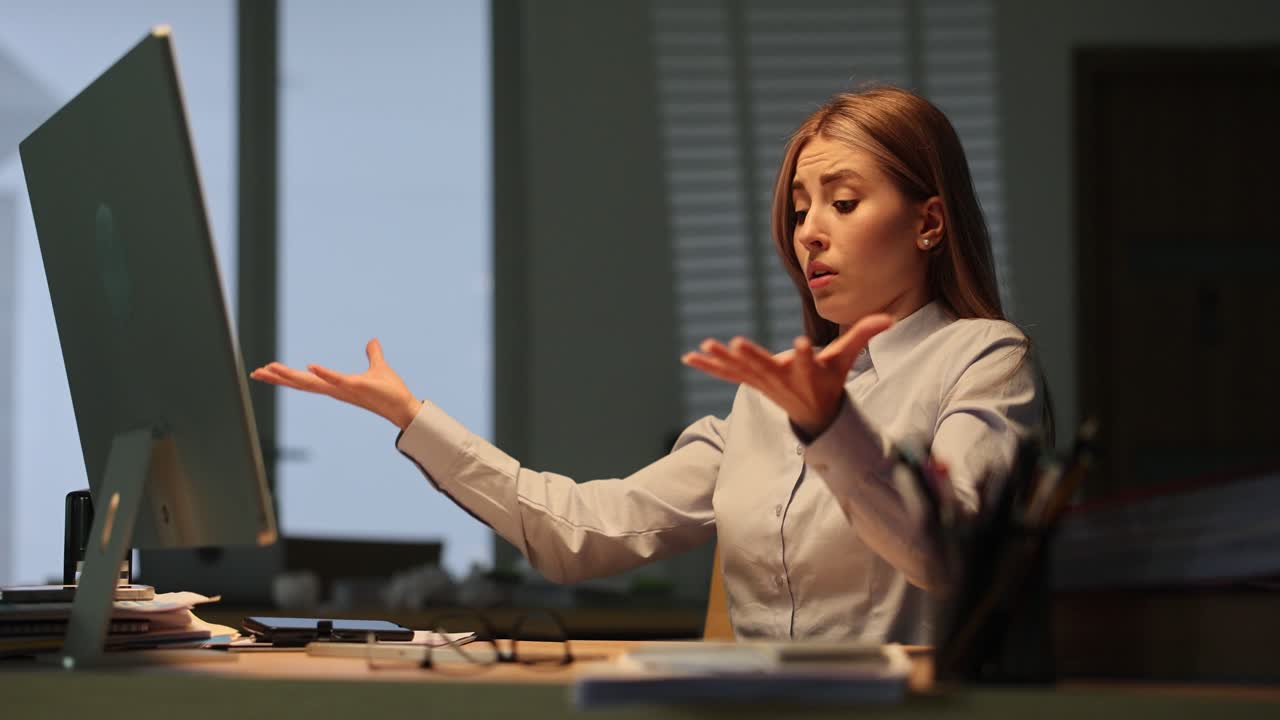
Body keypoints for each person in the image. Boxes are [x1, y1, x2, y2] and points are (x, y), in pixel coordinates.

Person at [251, 86, 1046, 644]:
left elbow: (950, 555)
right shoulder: (762, 403)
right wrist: (413, 419)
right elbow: (580, 537)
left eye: (841, 202)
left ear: (930, 222)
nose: (807, 232)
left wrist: (828, 424)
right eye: (799, 208)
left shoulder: (983, 357)